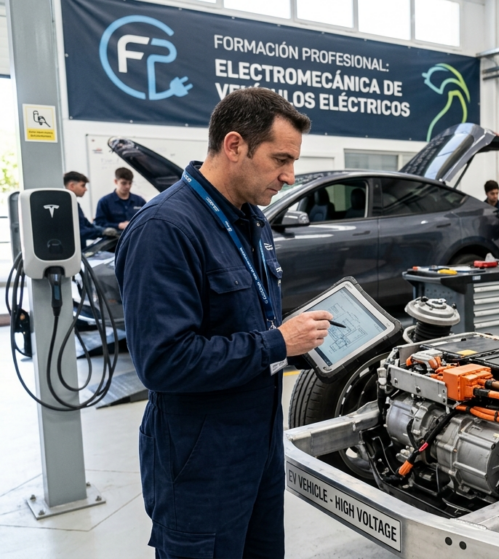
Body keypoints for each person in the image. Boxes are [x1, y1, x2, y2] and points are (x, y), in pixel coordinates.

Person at [115, 89, 331, 559]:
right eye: (280, 159)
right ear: (235, 146)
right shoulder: (165, 230)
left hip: (260, 449)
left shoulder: (251, 221)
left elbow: (246, 320)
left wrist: (295, 341)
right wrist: (276, 343)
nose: (289, 176)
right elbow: (164, 361)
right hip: (201, 462)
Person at [63, 171, 116, 247]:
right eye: (83, 185)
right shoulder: (65, 207)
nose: (85, 189)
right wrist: (101, 232)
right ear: (72, 186)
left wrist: (103, 230)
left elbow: (86, 224)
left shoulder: (75, 204)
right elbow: (77, 232)